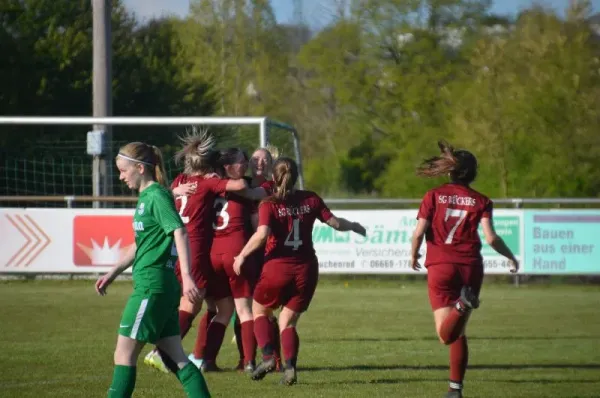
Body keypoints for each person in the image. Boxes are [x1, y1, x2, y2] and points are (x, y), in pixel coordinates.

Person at [232, 157, 366, 385]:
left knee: (260, 312)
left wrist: (242, 255)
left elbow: (262, 234)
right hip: (306, 269)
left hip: (277, 267)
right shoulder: (310, 199)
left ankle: (266, 357)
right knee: (288, 322)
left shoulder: (269, 204)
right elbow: (335, 223)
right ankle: (290, 367)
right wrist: (353, 225)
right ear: (295, 176)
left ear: (274, 177)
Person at [95, 142, 211, 398]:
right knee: (176, 358)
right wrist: (113, 272)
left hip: (152, 287)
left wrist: (189, 277)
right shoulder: (149, 197)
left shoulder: (156, 196)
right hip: (161, 286)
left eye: (123, 170)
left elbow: (179, 231)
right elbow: (140, 244)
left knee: (123, 354)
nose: (121, 176)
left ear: (140, 168)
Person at [143, 129, 259, 373]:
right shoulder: (208, 183)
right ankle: (160, 353)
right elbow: (237, 184)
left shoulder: (178, 182)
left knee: (217, 307)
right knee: (192, 303)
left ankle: (203, 358)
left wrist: (173, 192)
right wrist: (258, 187)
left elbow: (164, 192)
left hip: (178, 248)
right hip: (195, 249)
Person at [410, 140, 519, 398]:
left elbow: (418, 233)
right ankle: (455, 389)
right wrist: (511, 257)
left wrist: (413, 254)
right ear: (473, 174)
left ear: (450, 171)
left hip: (441, 266)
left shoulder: (433, 196)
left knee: (446, 334)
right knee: (458, 328)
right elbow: (491, 238)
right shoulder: (482, 200)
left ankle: (462, 305)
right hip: (471, 266)